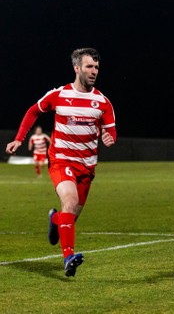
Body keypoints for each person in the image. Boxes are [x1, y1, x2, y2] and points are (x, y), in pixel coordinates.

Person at [5, 48, 116, 277]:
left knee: (70, 215)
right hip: (61, 160)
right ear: (77, 68)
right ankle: (69, 257)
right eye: (89, 66)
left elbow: (111, 132)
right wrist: (19, 139)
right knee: (70, 200)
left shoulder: (102, 102)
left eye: (96, 67)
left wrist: (109, 138)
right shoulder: (59, 95)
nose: (94, 71)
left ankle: (54, 220)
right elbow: (32, 112)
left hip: (87, 167)